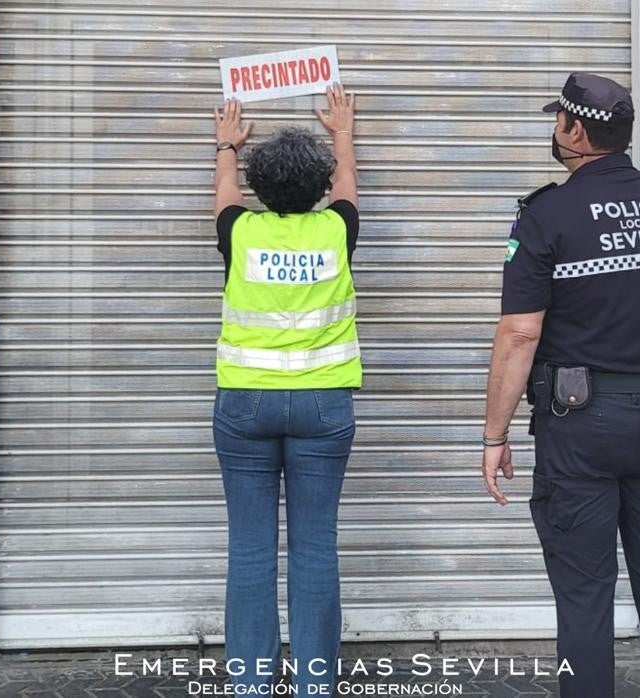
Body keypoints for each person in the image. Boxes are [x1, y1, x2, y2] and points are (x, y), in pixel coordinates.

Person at [479, 73, 640, 698]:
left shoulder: (546, 216)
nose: (554, 129)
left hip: (581, 425)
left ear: (576, 131)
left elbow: (519, 334)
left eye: (557, 119)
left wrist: (494, 434)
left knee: (585, 597)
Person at [211, 85, 360, 695]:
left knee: (249, 549)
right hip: (324, 405)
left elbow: (225, 193)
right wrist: (342, 134)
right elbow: (348, 186)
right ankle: (314, 685)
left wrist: (227, 143)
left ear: (261, 189)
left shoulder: (239, 232)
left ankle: (250, 683)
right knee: (315, 546)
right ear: (320, 187)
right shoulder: (337, 231)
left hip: (245, 403)